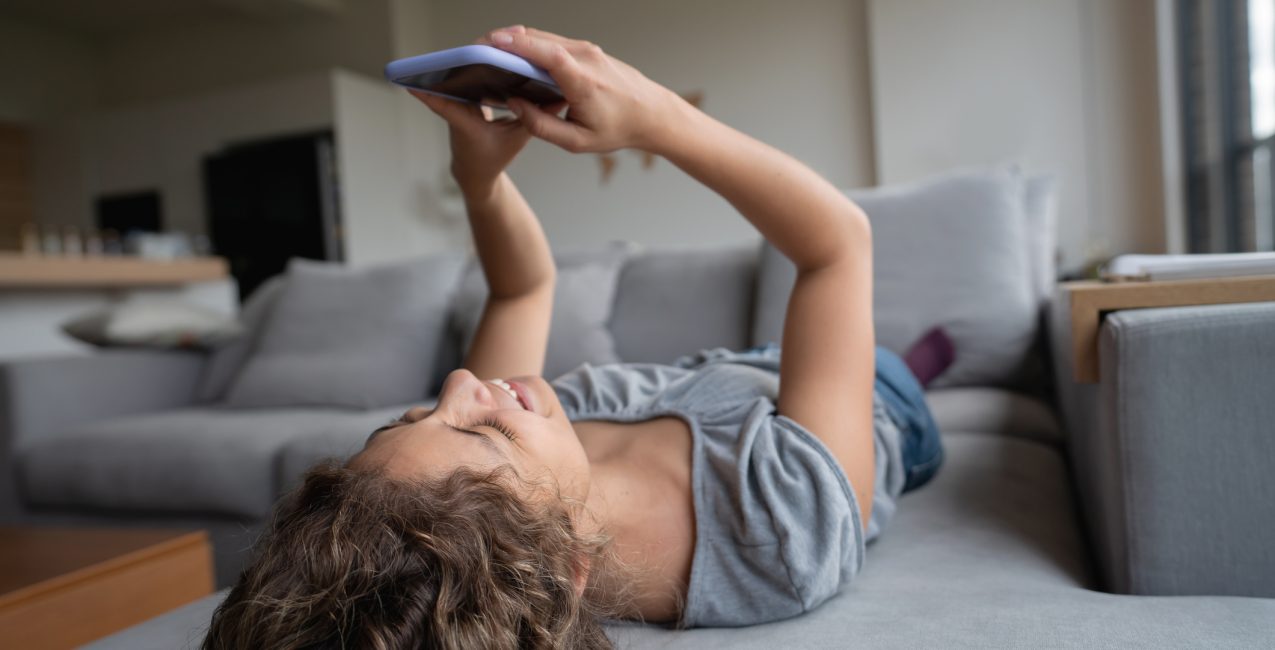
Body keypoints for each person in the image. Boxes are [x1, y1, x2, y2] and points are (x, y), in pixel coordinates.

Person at [204, 25, 943, 650]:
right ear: (565, 567)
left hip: (729, 378)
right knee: (889, 368)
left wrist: (480, 180)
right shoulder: (782, 528)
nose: (459, 387)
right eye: (483, 429)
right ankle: (926, 371)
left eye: (412, 418)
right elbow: (835, 247)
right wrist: (656, 116)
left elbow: (520, 288)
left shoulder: (515, 474)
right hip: (877, 412)